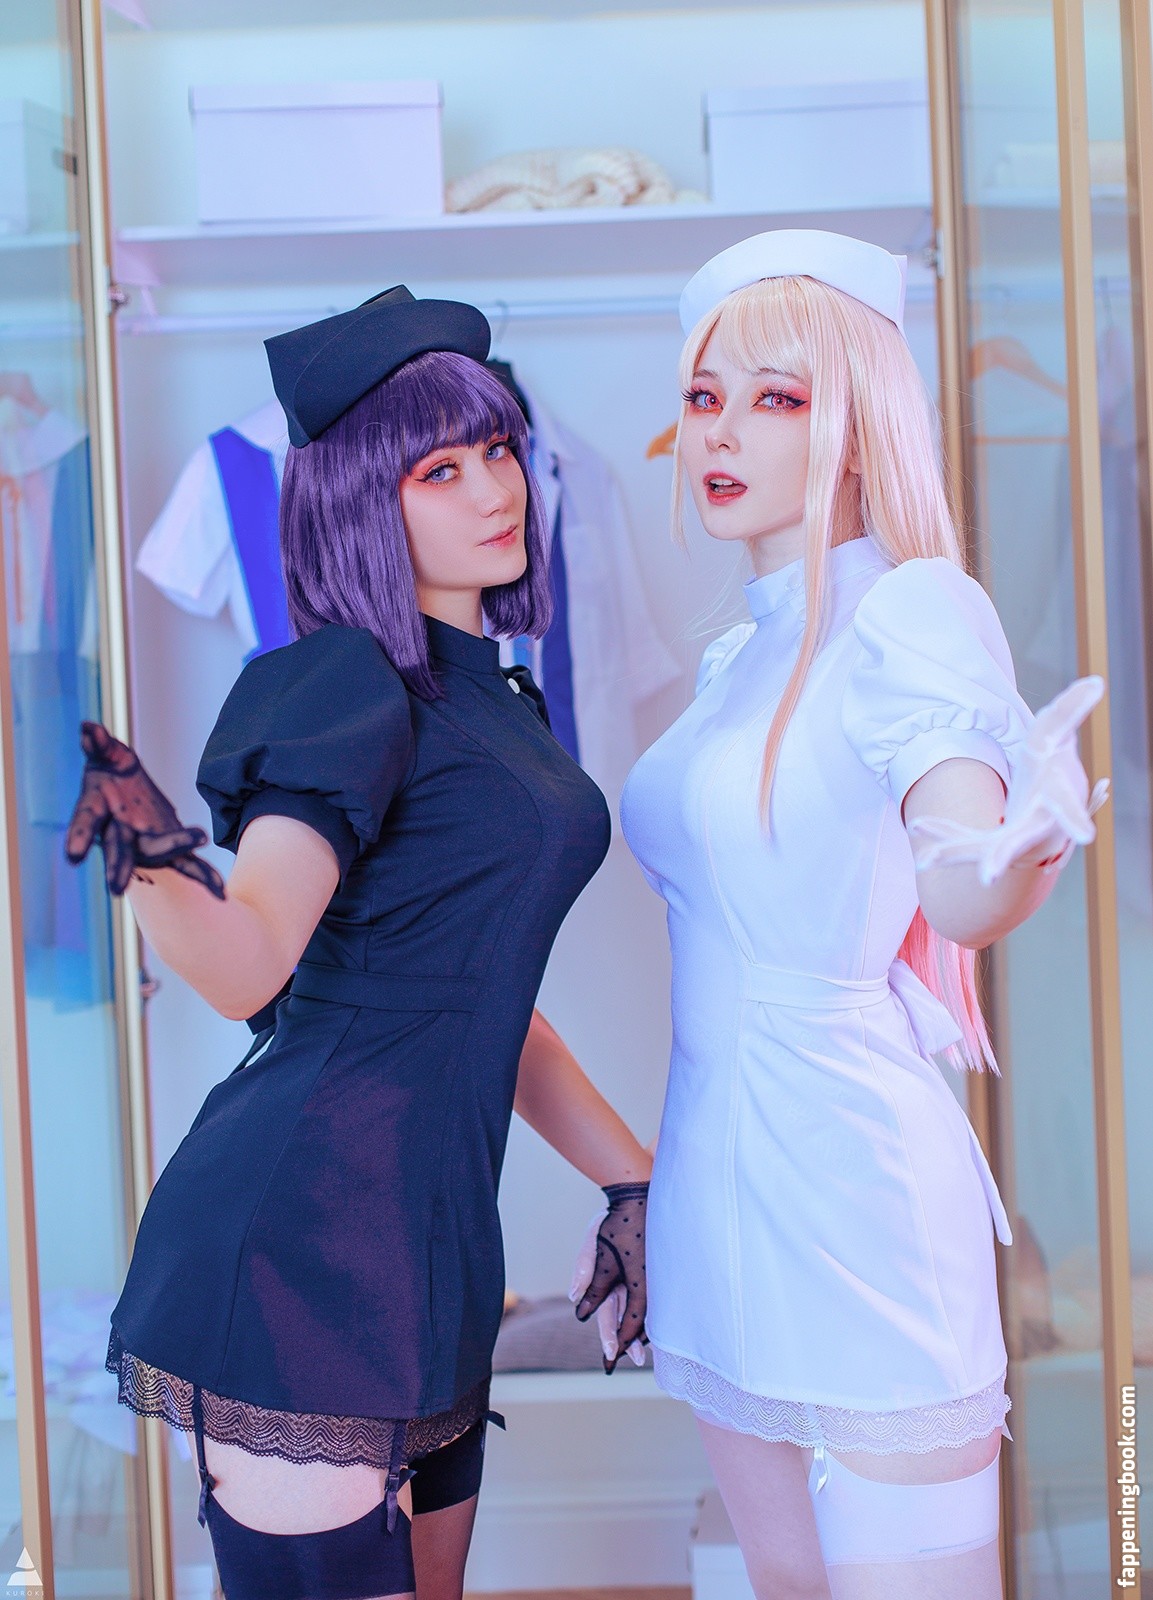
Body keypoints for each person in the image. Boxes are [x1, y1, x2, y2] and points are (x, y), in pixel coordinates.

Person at [66, 287, 651, 1600]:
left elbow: (486, 1000)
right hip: (302, 1242)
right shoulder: (342, 681)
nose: (493, 489)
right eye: (438, 470)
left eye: (498, 449)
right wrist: (152, 855)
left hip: (433, 1249)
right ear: (357, 504)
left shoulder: (495, 699)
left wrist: (635, 1183)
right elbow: (248, 965)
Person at [615, 232, 1106, 1598]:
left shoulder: (913, 610)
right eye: (704, 395)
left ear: (853, 423)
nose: (720, 432)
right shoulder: (740, 651)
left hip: (853, 1189)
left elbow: (956, 878)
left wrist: (1017, 849)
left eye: (775, 397)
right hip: (714, 1183)